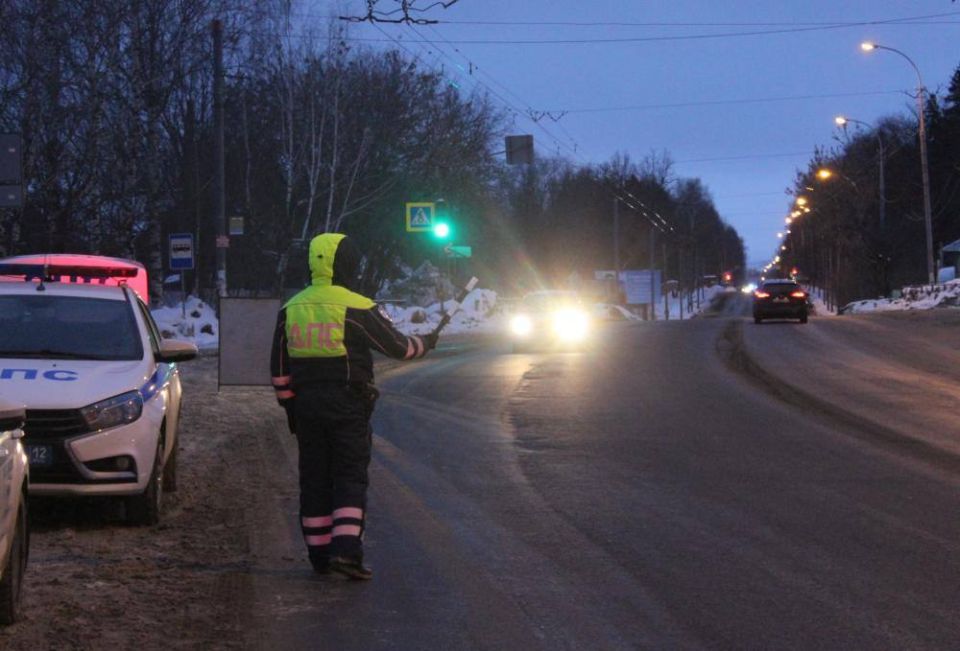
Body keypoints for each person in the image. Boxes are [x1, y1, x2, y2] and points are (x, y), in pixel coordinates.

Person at [270, 233, 438, 580]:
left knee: (315, 477)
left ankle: (319, 554)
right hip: (348, 403)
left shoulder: (292, 308)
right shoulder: (357, 307)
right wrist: (426, 342)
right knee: (349, 474)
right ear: (345, 265)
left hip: (306, 407)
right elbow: (398, 347)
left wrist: (290, 408)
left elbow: (279, 367)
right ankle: (346, 551)